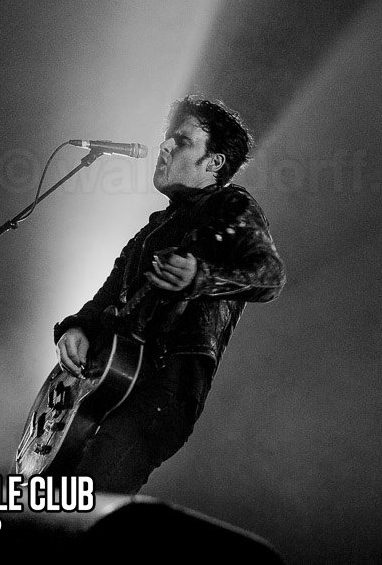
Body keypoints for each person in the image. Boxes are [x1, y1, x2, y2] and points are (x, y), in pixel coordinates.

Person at [53, 96, 286, 494]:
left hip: (164, 388)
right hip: (104, 385)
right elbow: (105, 297)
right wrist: (75, 328)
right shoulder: (152, 229)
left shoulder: (232, 205)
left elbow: (270, 276)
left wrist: (201, 276)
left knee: (90, 501)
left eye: (182, 141)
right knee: (52, 506)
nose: (164, 146)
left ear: (213, 163)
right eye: (168, 138)